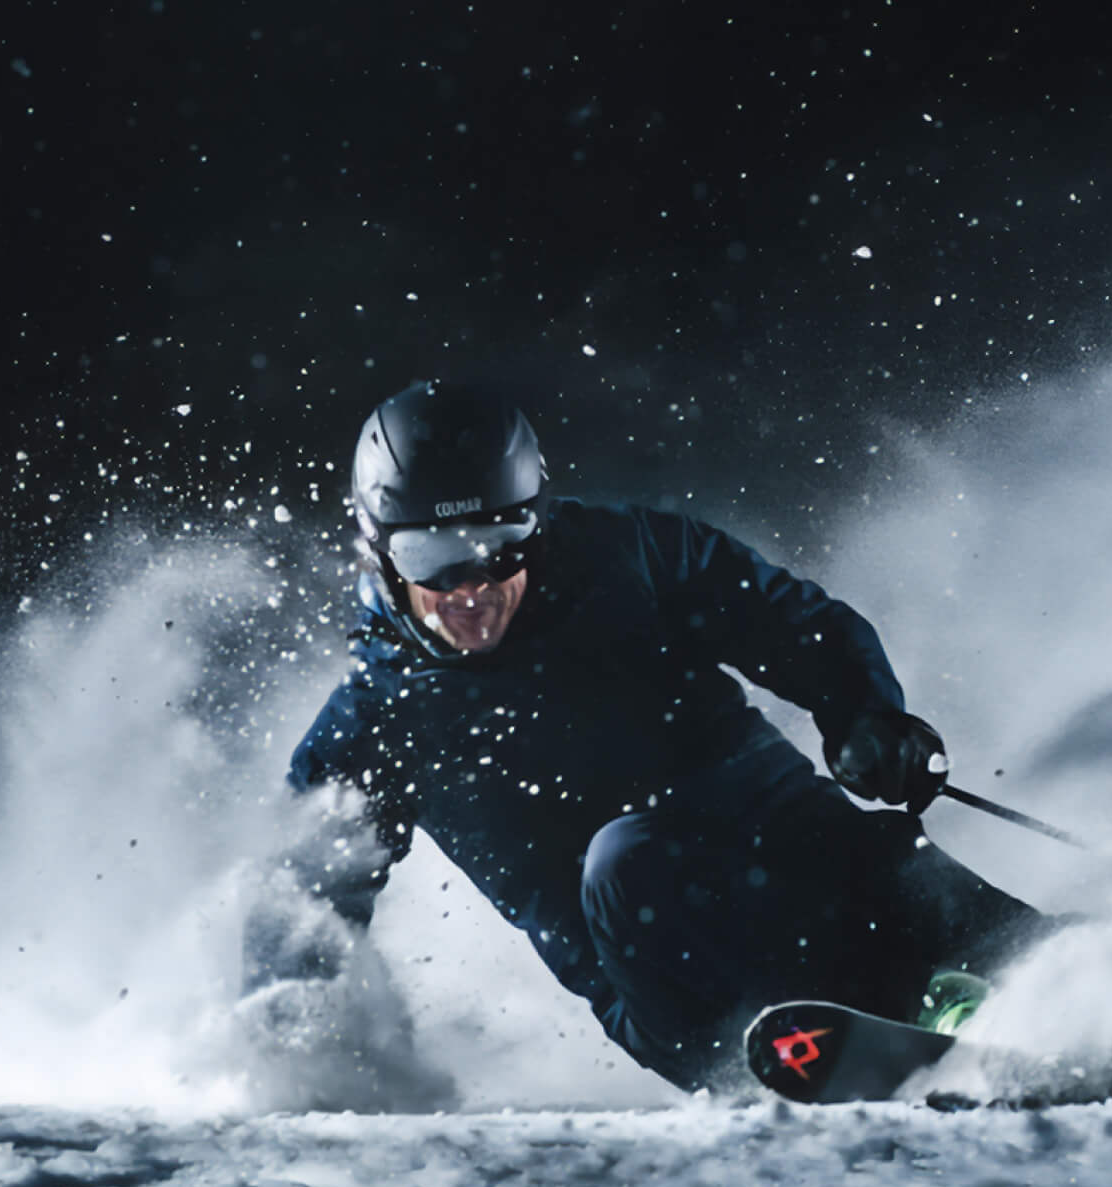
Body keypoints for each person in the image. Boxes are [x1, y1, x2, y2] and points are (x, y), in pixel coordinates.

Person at [252, 379, 1060, 1092]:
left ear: (536, 522)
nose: (473, 587)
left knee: (903, 876)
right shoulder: (376, 723)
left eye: (499, 546)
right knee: (630, 860)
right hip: (691, 988)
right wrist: (283, 1045)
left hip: (810, 861)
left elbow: (789, 621)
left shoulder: (622, 558)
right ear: (380, 552)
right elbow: (301, 902)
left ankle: (1063, 979)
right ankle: (923, 1008)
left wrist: (867, 716)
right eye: (432, 557)